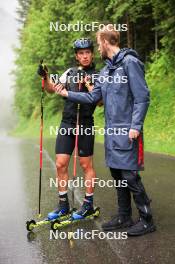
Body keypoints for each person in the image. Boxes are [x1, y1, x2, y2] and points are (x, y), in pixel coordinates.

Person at [56, 25, 156, 236]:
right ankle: (124, 216)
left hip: (128, 131)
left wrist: (136, 126)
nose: (96, 49)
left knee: (130, 175)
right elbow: (93, 97)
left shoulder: (130, 63)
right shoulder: (106, 70)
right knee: (117, 173)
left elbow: (142, 97)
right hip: (112, 132)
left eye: (98, 43)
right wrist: (67, 94)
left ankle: (147, 219)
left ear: (104, 42)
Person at [37, 38, 98, 220]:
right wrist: (45, 77)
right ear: (76, 56)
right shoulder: (70, 73)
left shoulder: (98, 74)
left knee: (85, 165)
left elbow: (100, 101)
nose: (85, 56)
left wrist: (88, 83)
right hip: (67, 123)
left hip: (85, 123)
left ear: (92, 54)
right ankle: (63, 205)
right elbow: (50, 89)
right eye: (81, 53)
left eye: (88, 52)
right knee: (60, 163)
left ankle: (88, 204)